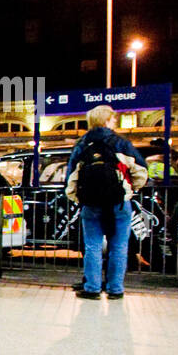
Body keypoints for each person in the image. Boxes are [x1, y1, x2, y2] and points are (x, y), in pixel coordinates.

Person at [65, 104, 149, 299]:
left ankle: (92, 288)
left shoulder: (82, 145)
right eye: (112, 119)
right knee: (119, 246)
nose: (114, 123)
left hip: (91, 203)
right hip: (118, 203)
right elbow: (141, 171)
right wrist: (130, 190)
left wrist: (79, 198)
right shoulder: (121, 143)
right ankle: (115, 289)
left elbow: (71, 179)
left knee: (92, 245)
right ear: (105, 121)